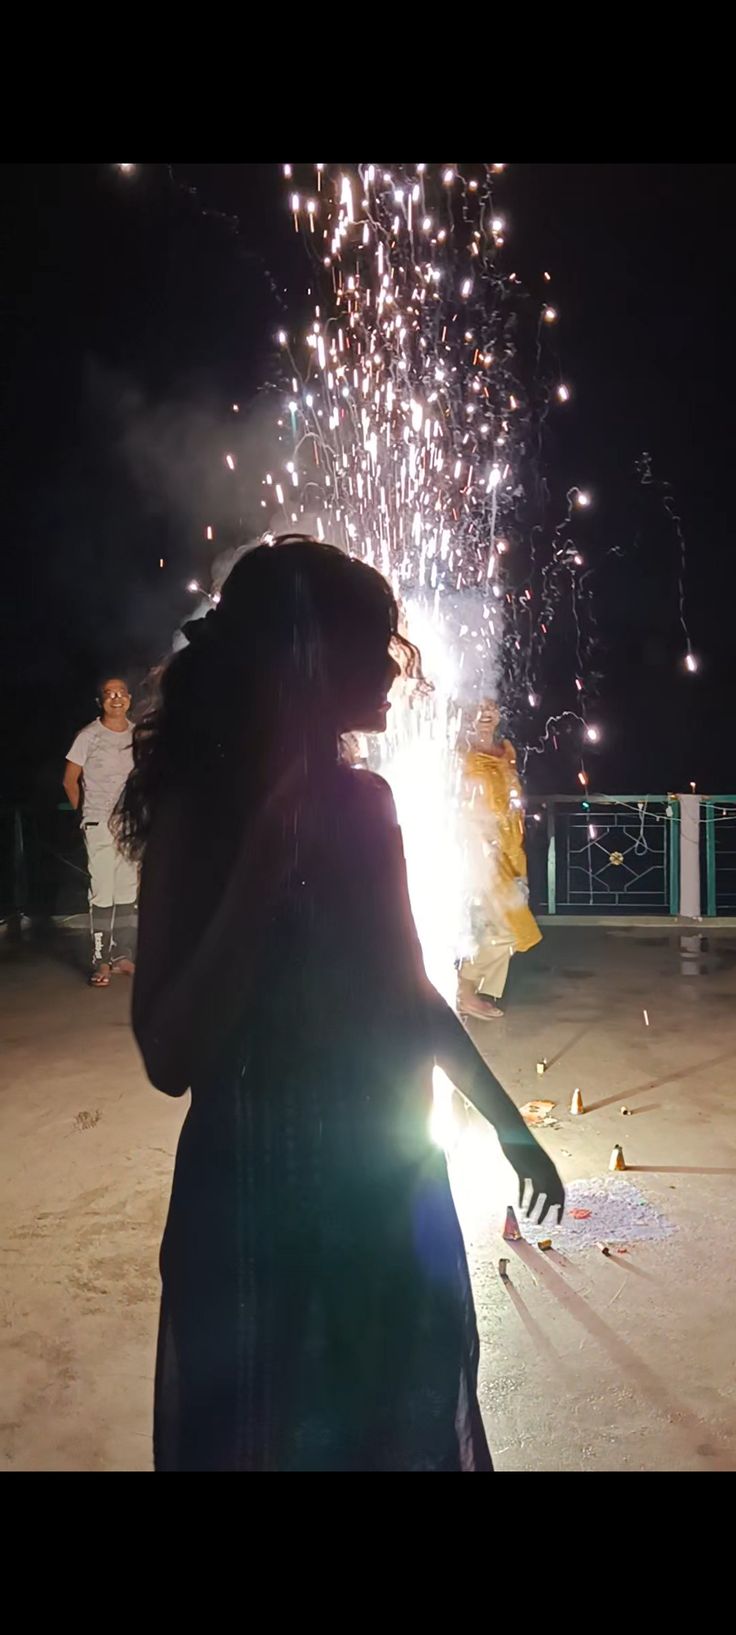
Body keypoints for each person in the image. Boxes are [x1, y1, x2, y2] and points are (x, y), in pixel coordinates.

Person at [117, 536, 563, 1473]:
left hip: (380, 1198)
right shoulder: (200, 818)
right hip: (251, 1204)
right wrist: (259, 872)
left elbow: (409, 996)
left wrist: (510, 1125)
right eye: (375, 642)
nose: (396, 669)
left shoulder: (367, 804)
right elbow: (168, 1055)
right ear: (309, 659)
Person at [457, 699, 542, 1021]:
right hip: (477, 847)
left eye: (491, 706)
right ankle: (464, 988)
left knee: (495, 923)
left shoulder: (506, 751)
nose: (486, 713)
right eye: (477, 707)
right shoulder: (459, 752)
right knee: (510, 924)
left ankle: (469, 991)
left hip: (509, 849)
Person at [64, 675, 138, 987]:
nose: (116, 698)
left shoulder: (138, 735)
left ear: (130, 699)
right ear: (101, 701)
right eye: (110, 694)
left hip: (130, 825)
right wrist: (86, 816)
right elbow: (70, 779)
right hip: (98, 824)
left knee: (127, 890)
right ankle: (101, 961)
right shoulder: (88, 735)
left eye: (122, 693)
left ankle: (122, 955)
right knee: (102, 891)